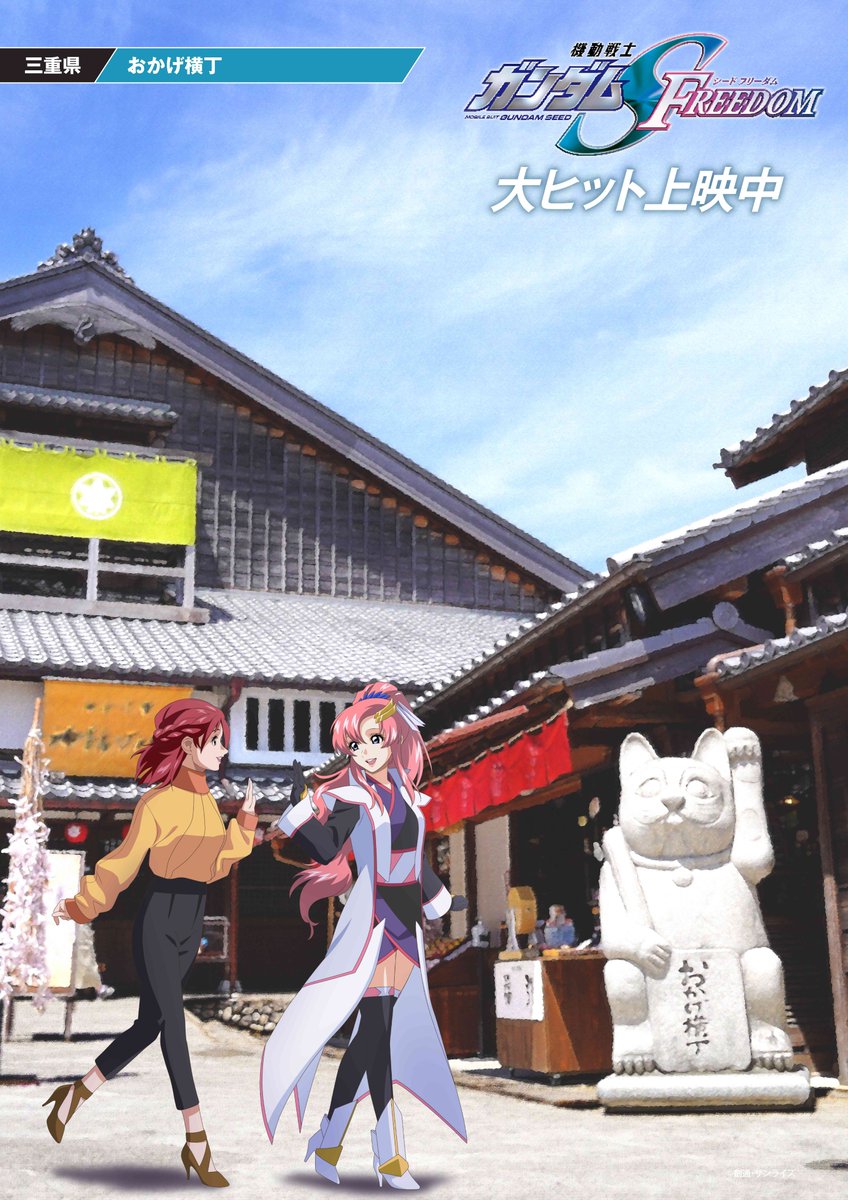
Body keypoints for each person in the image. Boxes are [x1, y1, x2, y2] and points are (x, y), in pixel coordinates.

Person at [261, 682, 467, 1190]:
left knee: (374, 1035)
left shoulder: (409, 799)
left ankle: (331, 1139)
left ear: (395, 738)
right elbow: (324, 847)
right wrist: (300, 806)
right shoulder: (353, 798)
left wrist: (442, 901)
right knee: (378, 1033)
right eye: (356, 745)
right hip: (373, 920)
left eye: (375, 740)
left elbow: (415, 862)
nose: (366, 752)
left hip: (405, 922)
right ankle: (389, 1154)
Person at [47, 698, 257, 1188]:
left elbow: (215, 865)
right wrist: (82, 903)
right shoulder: (156, 804)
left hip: (191, 917)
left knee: (149, 1025)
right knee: (173, 1027)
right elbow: (124, 862)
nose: (223, 750)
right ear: (188, 745)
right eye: (215, 741)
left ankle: (75, 1094)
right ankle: (197, 1142)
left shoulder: (208, 802)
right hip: (159, 918)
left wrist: (245, 822)